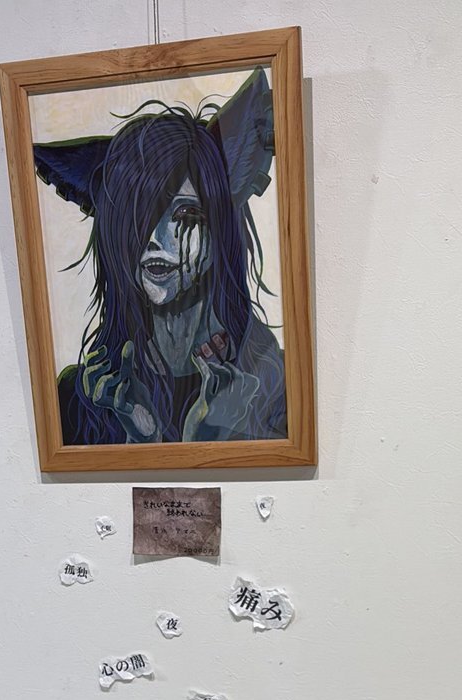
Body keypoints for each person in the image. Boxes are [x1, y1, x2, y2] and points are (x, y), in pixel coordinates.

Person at [33, 68, 286, 446]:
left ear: (220, 227)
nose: (154, 239)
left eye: (185, 214)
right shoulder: (81, 401)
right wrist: (138, 434)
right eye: (138, 216)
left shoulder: (276, 387)